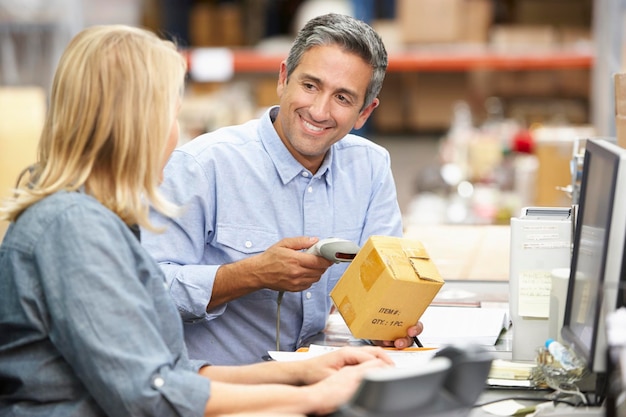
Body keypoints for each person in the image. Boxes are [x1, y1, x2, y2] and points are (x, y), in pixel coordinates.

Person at [0, 24, 396, 417]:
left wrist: (305, 373)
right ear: (136, 124)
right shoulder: (72, 229)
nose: (175, 137)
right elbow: (148, 393)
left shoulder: (96, 222)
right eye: (172, 116)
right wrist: (311, 397)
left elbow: (165, 373)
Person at [142, 12, 423, 366]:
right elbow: (146, 291)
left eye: (343, 98)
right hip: (223, 393)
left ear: (365, 113)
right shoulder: (202, 165)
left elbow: (384, 290)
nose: (319, 111)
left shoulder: (370, 168)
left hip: (316, 383)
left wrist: (386, 325)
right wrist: (252, 274)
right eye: (310, 86)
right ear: (283, 79)